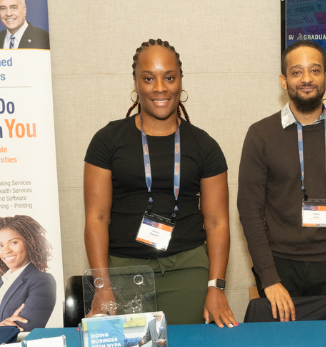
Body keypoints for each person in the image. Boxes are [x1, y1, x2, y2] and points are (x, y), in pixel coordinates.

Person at [83, 38, 237, 327]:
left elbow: (217, 222)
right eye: (148, 78)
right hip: (125, 273)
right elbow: (96, 218)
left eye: (169, 77)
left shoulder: (205, 146)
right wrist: (102, 285)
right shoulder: (107, 141)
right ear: (135, 83)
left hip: (188, 270)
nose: (160, 87)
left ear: (180, 81)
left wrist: (215, 286)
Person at [237, 39, 326, 322]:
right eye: (297, 72)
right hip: (279, 266)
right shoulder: (260, 134)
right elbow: (250, 213)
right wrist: (268, 278)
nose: (306, 79)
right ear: (283, 80)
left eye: (314, 71)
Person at [0, 214, 57, 329]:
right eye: (0, 245)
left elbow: (24, 328)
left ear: (30, 243)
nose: (6, 250)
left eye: (14, 242)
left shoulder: (42, 280)